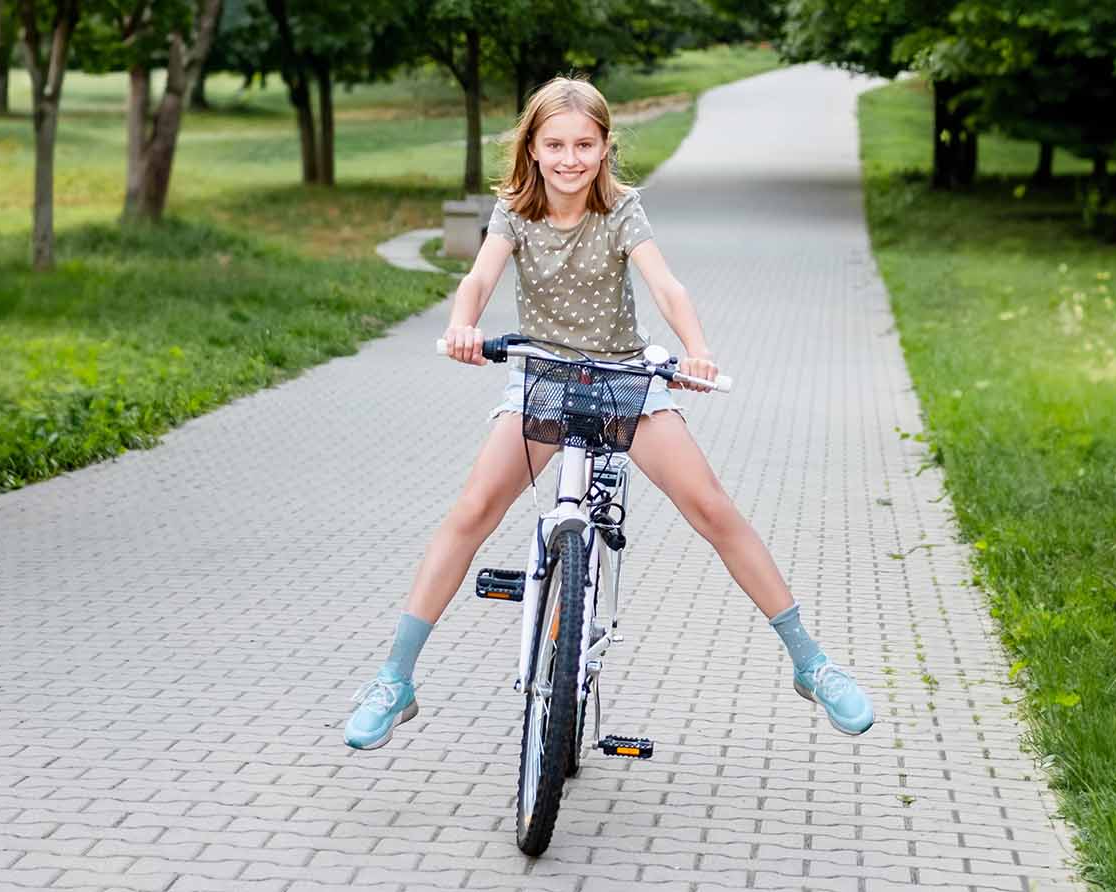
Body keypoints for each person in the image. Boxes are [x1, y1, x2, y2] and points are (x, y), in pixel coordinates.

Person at [344, 76, 873, 750]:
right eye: (556, 144)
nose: (570, 159)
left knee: (712, 507)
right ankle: (395, 679)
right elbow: (478, 278)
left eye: (585, 145)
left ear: (604, 147)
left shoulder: (622, 209)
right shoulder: (513, 211)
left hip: (625, 377)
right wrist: (462, 325)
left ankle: (810, 662)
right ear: (532, 149)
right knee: (473, 510)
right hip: (543, 376)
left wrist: (697, 350)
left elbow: (665, 283)